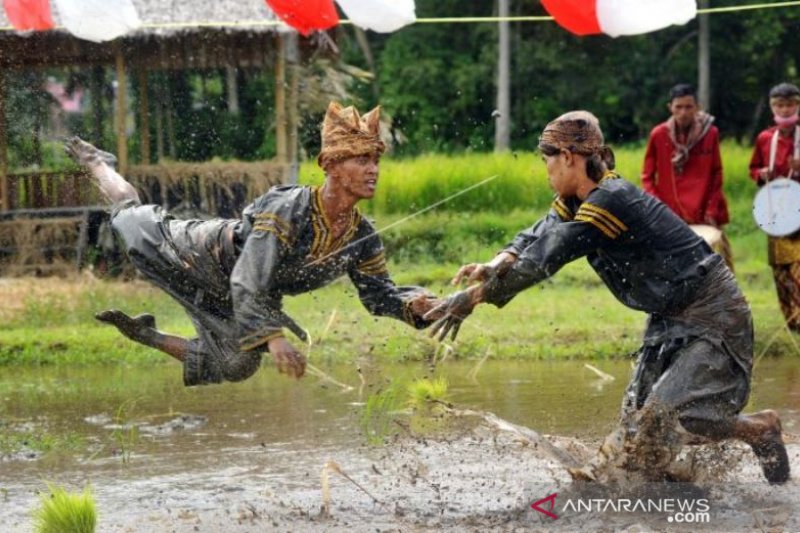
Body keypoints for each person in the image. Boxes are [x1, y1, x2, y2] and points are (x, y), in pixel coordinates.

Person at [426, 111, 790, 484]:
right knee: (638, 427)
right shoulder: (575, 200)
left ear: (568, 156)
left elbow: (552, 252)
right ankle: (665, 491)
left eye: (546, 160)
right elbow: (542, 231)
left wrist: (475, 297)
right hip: (668, 314)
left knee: (665, 416)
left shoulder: (611, 199)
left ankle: (760, 430)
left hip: (711, 310)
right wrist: (501, 258)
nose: (546, 169)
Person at [66, 102, 441, 386]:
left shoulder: (362, 237)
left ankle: (145, 333)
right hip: (197, 254)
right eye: (361, 159)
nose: (373, 169)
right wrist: (274, 339)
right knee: (130, 217)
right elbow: (247, 279)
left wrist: (418, 306)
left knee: (235, 365)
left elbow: (380, 296)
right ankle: (99, 163)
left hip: (238, 294)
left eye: (375, 160)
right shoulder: (288, 208)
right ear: (330, 165)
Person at [641, 83, 733, 270]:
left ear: (697, 107)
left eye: (689, 107)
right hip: (670, 214)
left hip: (705, 213)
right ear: (670, 108)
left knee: (715, 271)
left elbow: (717, 174)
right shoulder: (659, 134)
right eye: (678, 107)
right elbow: (647, 176)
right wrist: (657, 209)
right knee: (674, 271)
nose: (683, 112)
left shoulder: (710, 133)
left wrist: (711, 211)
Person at [749, 82, 800, 331]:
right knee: (780, 268)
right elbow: (753, 169)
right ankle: (791, 322)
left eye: (790, 104)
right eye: (780, 104)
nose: (786, 109)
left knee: (798, 266)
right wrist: (762, 173)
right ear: (772, 107)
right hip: (776, 212)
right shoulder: (765, 138)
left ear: (797, 105)